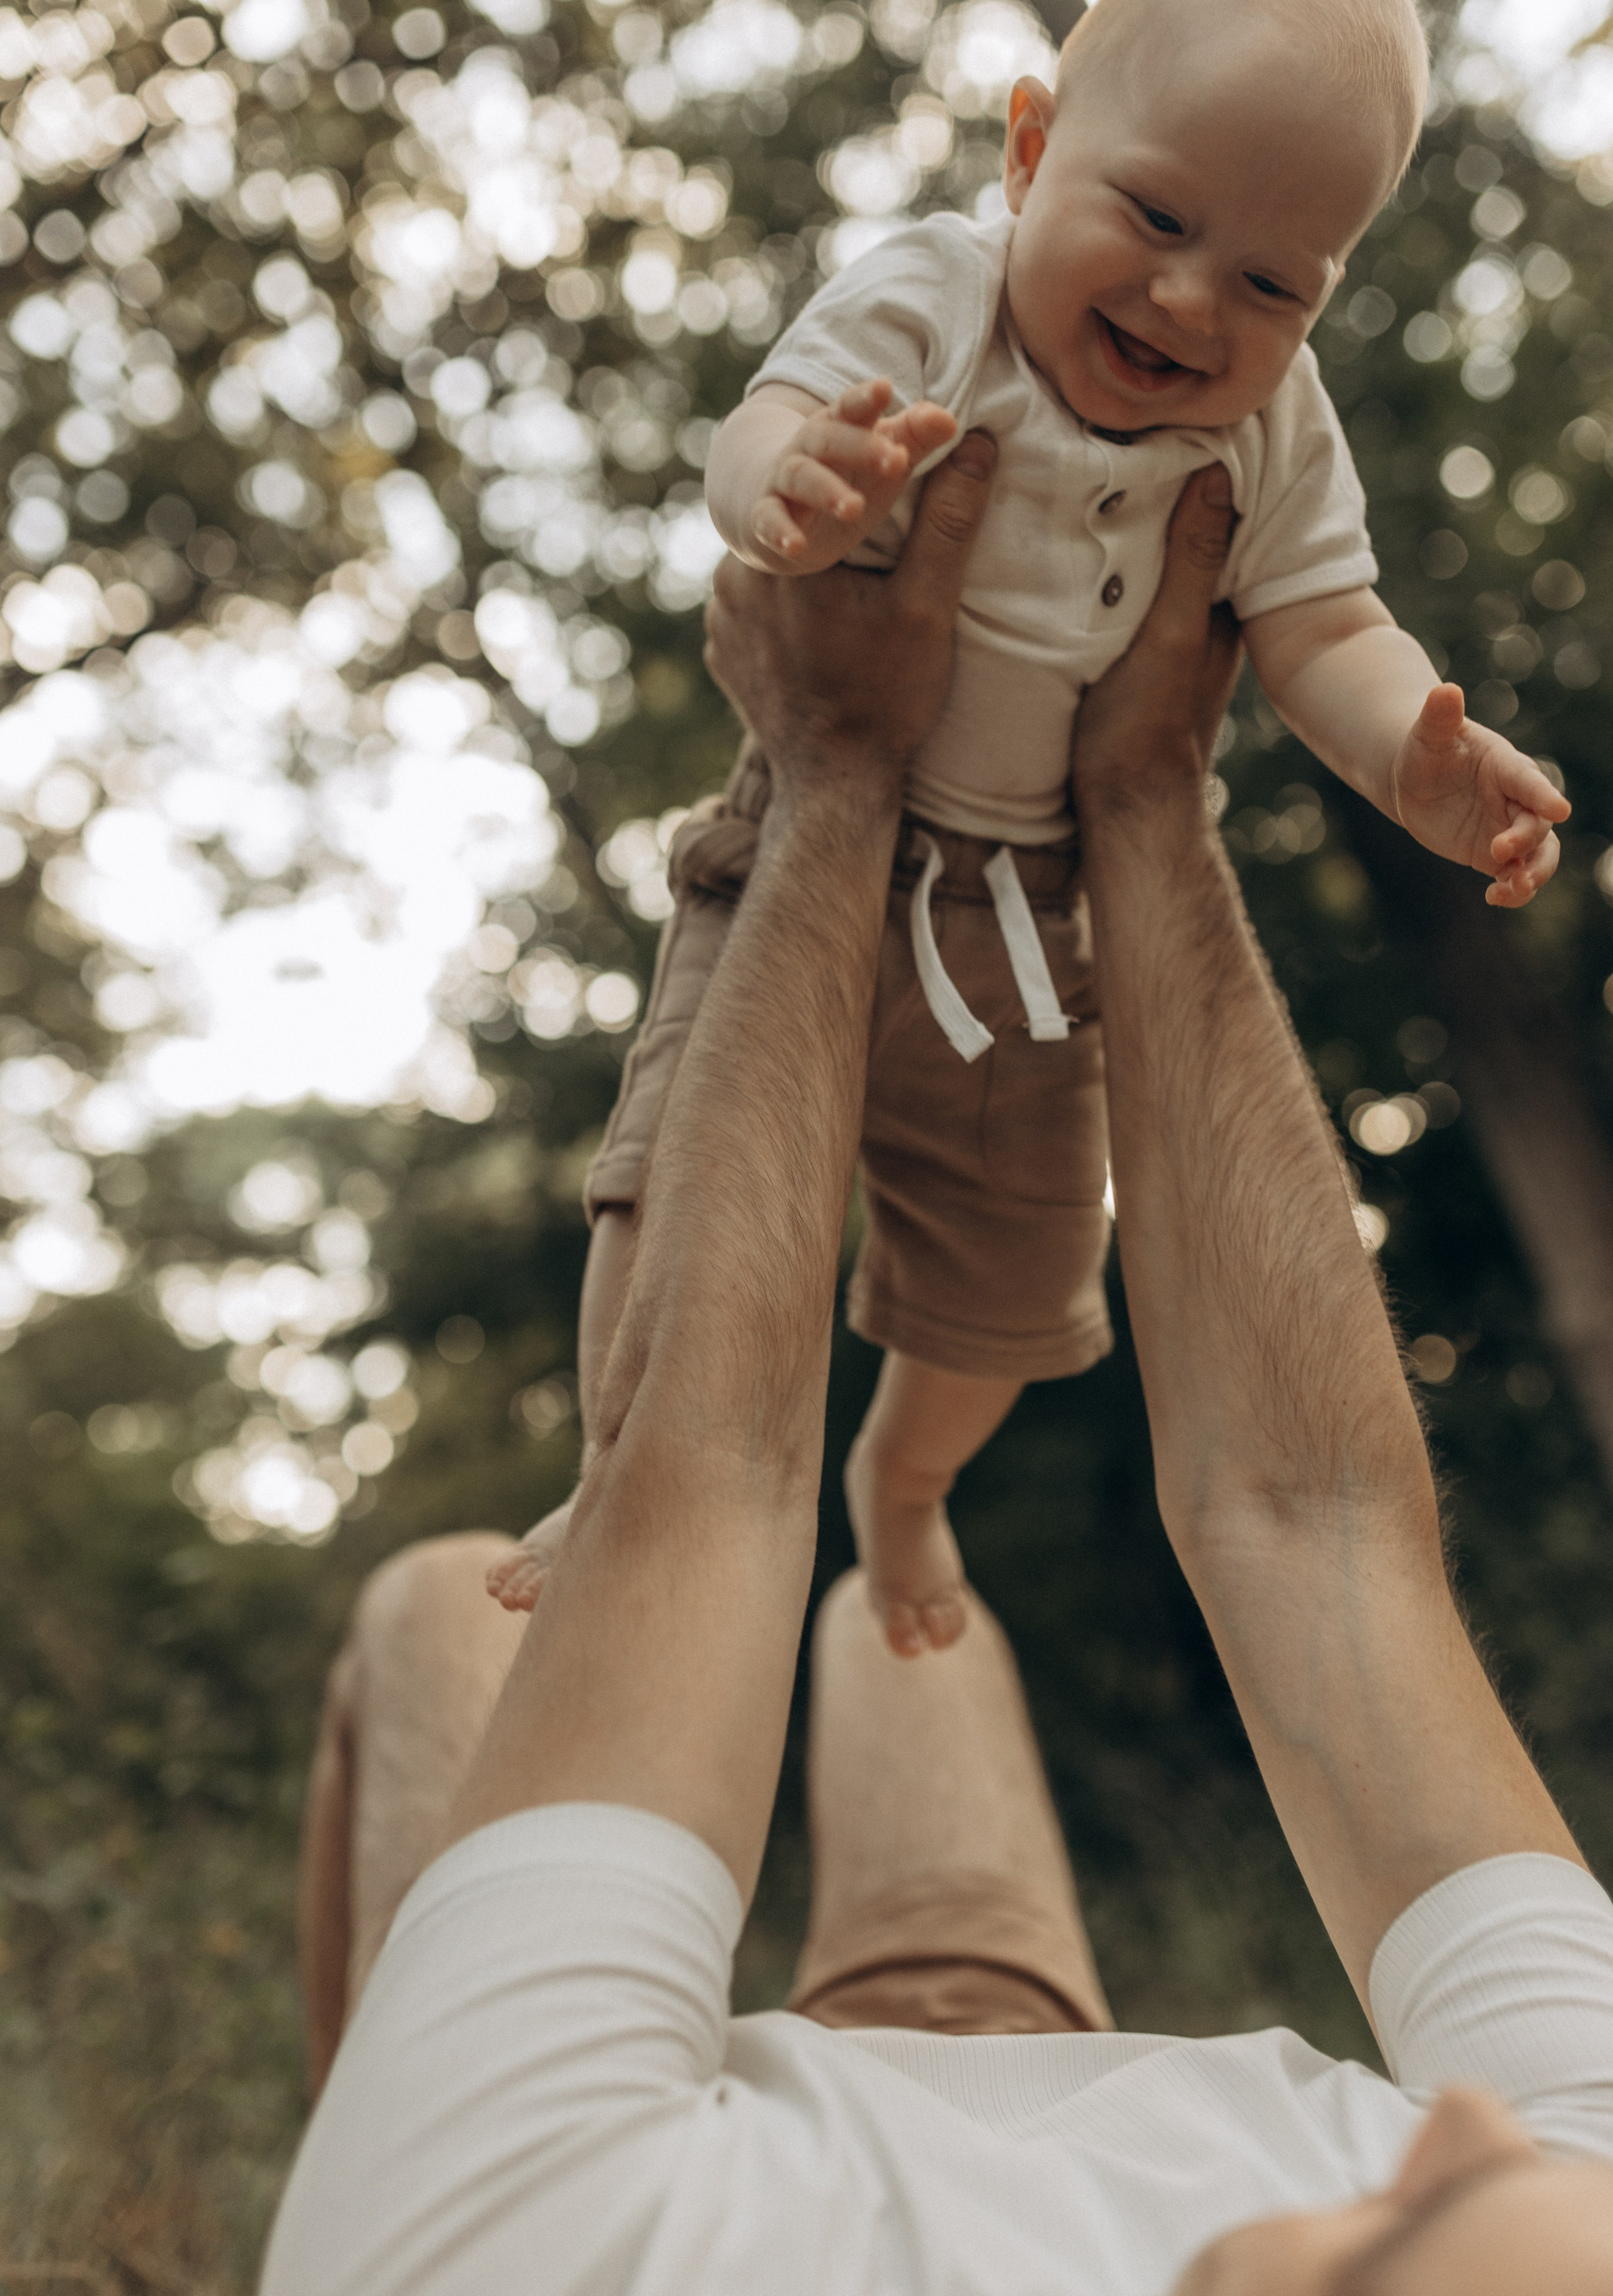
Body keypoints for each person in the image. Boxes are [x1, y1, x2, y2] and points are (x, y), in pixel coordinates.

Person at [263, 440, 1613, 2296]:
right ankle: (443, 2066)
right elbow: (1314, 1526)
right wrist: (1145, 805)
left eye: (1428, 2204)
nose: (1465, 2120)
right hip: (987, 2001)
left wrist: (833, 769)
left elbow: (714, 1483)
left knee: (442, 1605)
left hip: (613, 2139)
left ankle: (388, 2107)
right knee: (913, 1629)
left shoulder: (519, 2256)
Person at [489, 0, 1570, 1657]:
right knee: (676, 1174)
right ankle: (620, 1463)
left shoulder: (1272, 430)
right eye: (1154, 218)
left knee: (1011, 1281)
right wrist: (797, 487)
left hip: (1034, 917)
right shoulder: (936, 293)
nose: (1186, 299)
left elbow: (1325, 628)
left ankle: (903, 1487)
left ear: (1322, 298)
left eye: (1272, 283)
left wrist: (1413, 759)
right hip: (802, 855)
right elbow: (764, 423)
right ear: (1032, 145)